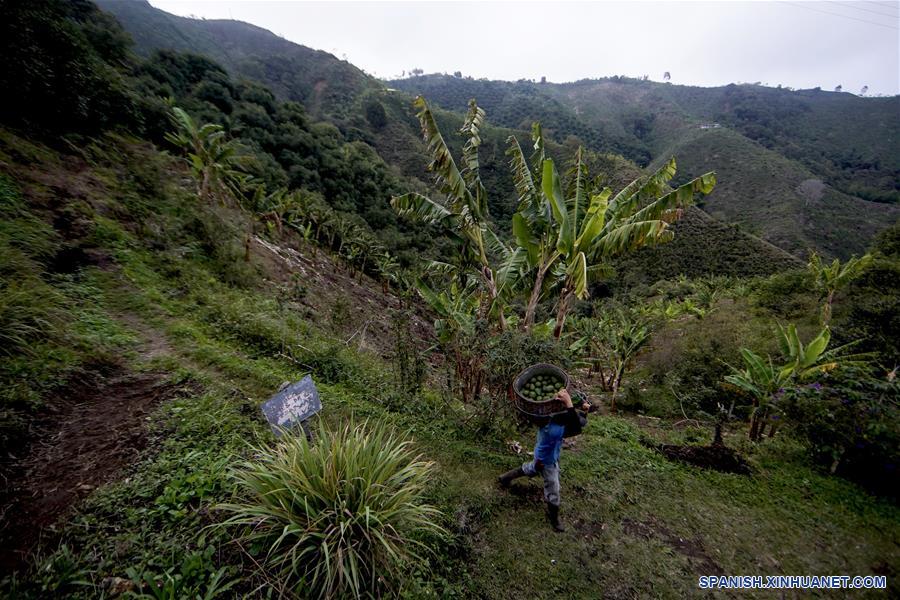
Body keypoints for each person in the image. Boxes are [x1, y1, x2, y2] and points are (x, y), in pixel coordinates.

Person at [498, 388, 591, 532]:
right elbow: (575, 428)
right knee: (553, 487)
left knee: (531, 468)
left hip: (542, 456)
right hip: (546, 461)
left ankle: (505, 477)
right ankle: (554, 518)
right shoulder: (554, 431)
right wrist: (570, 404)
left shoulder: (552, 420)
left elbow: (573, 419)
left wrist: (582, 408)